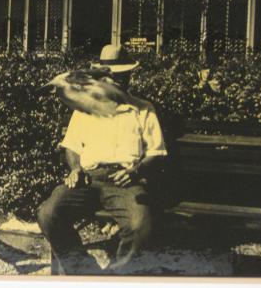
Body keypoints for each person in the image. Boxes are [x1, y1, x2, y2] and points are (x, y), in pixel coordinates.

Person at [37, 44, 168, 275]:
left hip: (124, 181)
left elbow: (156, 153)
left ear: (129, 76)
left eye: (122, 75)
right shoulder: (85, 109)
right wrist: (75, 168)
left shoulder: (143, 109)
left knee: (141, 227)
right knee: (48, 214)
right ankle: (84, 272)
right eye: (111, 75)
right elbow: (72, 146)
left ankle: (113, 277)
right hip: (87, 179)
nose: (117, 80)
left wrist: (135, 172)